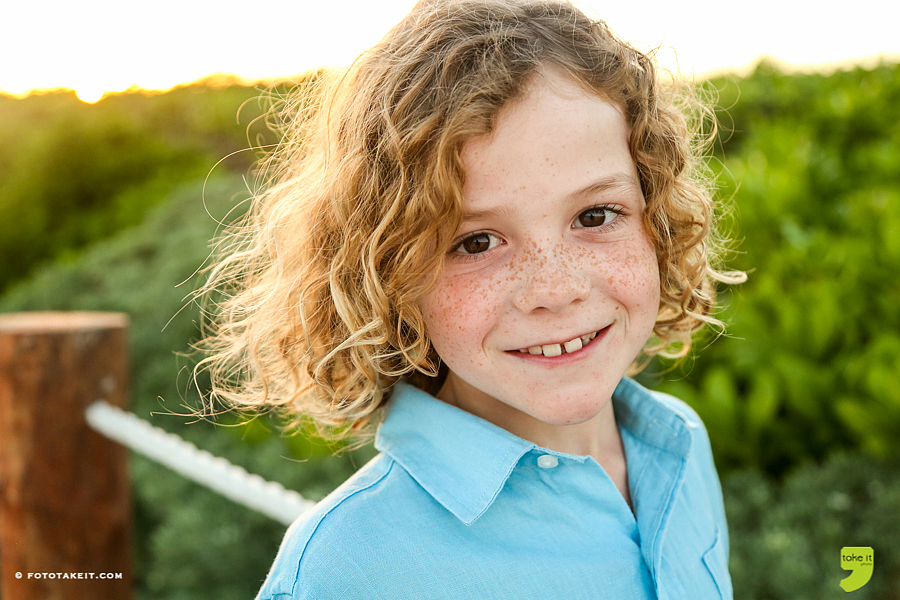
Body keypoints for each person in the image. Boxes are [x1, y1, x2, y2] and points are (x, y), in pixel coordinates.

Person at [196, 0, 746, 597]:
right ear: (388, 273)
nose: (555, 288)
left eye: (596, 214)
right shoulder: (349, 569)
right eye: (476, 241)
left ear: (656, 218)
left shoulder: (678, 444)